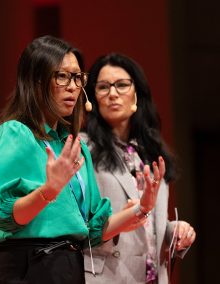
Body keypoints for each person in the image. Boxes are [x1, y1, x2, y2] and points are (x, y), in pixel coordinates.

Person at [0, 36, 165, 284]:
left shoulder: (73, 145)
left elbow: (93, 229)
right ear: (36, 81)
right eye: (62, 76)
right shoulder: (16, 134)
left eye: (78, 78)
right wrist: (49, 190)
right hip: (27, 266)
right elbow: (9, 216)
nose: (72, 87)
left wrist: (142, 208)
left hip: (67, 267)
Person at [82, 53, 196, 284]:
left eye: (122, 85)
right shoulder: (83, 147)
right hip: (107, 276)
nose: (112, 94)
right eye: (103, 87)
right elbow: (79, 223)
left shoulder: (150, 150)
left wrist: (173, 231)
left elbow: (149, 224)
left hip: (152, 276)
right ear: (93, 96)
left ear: (137, 93)